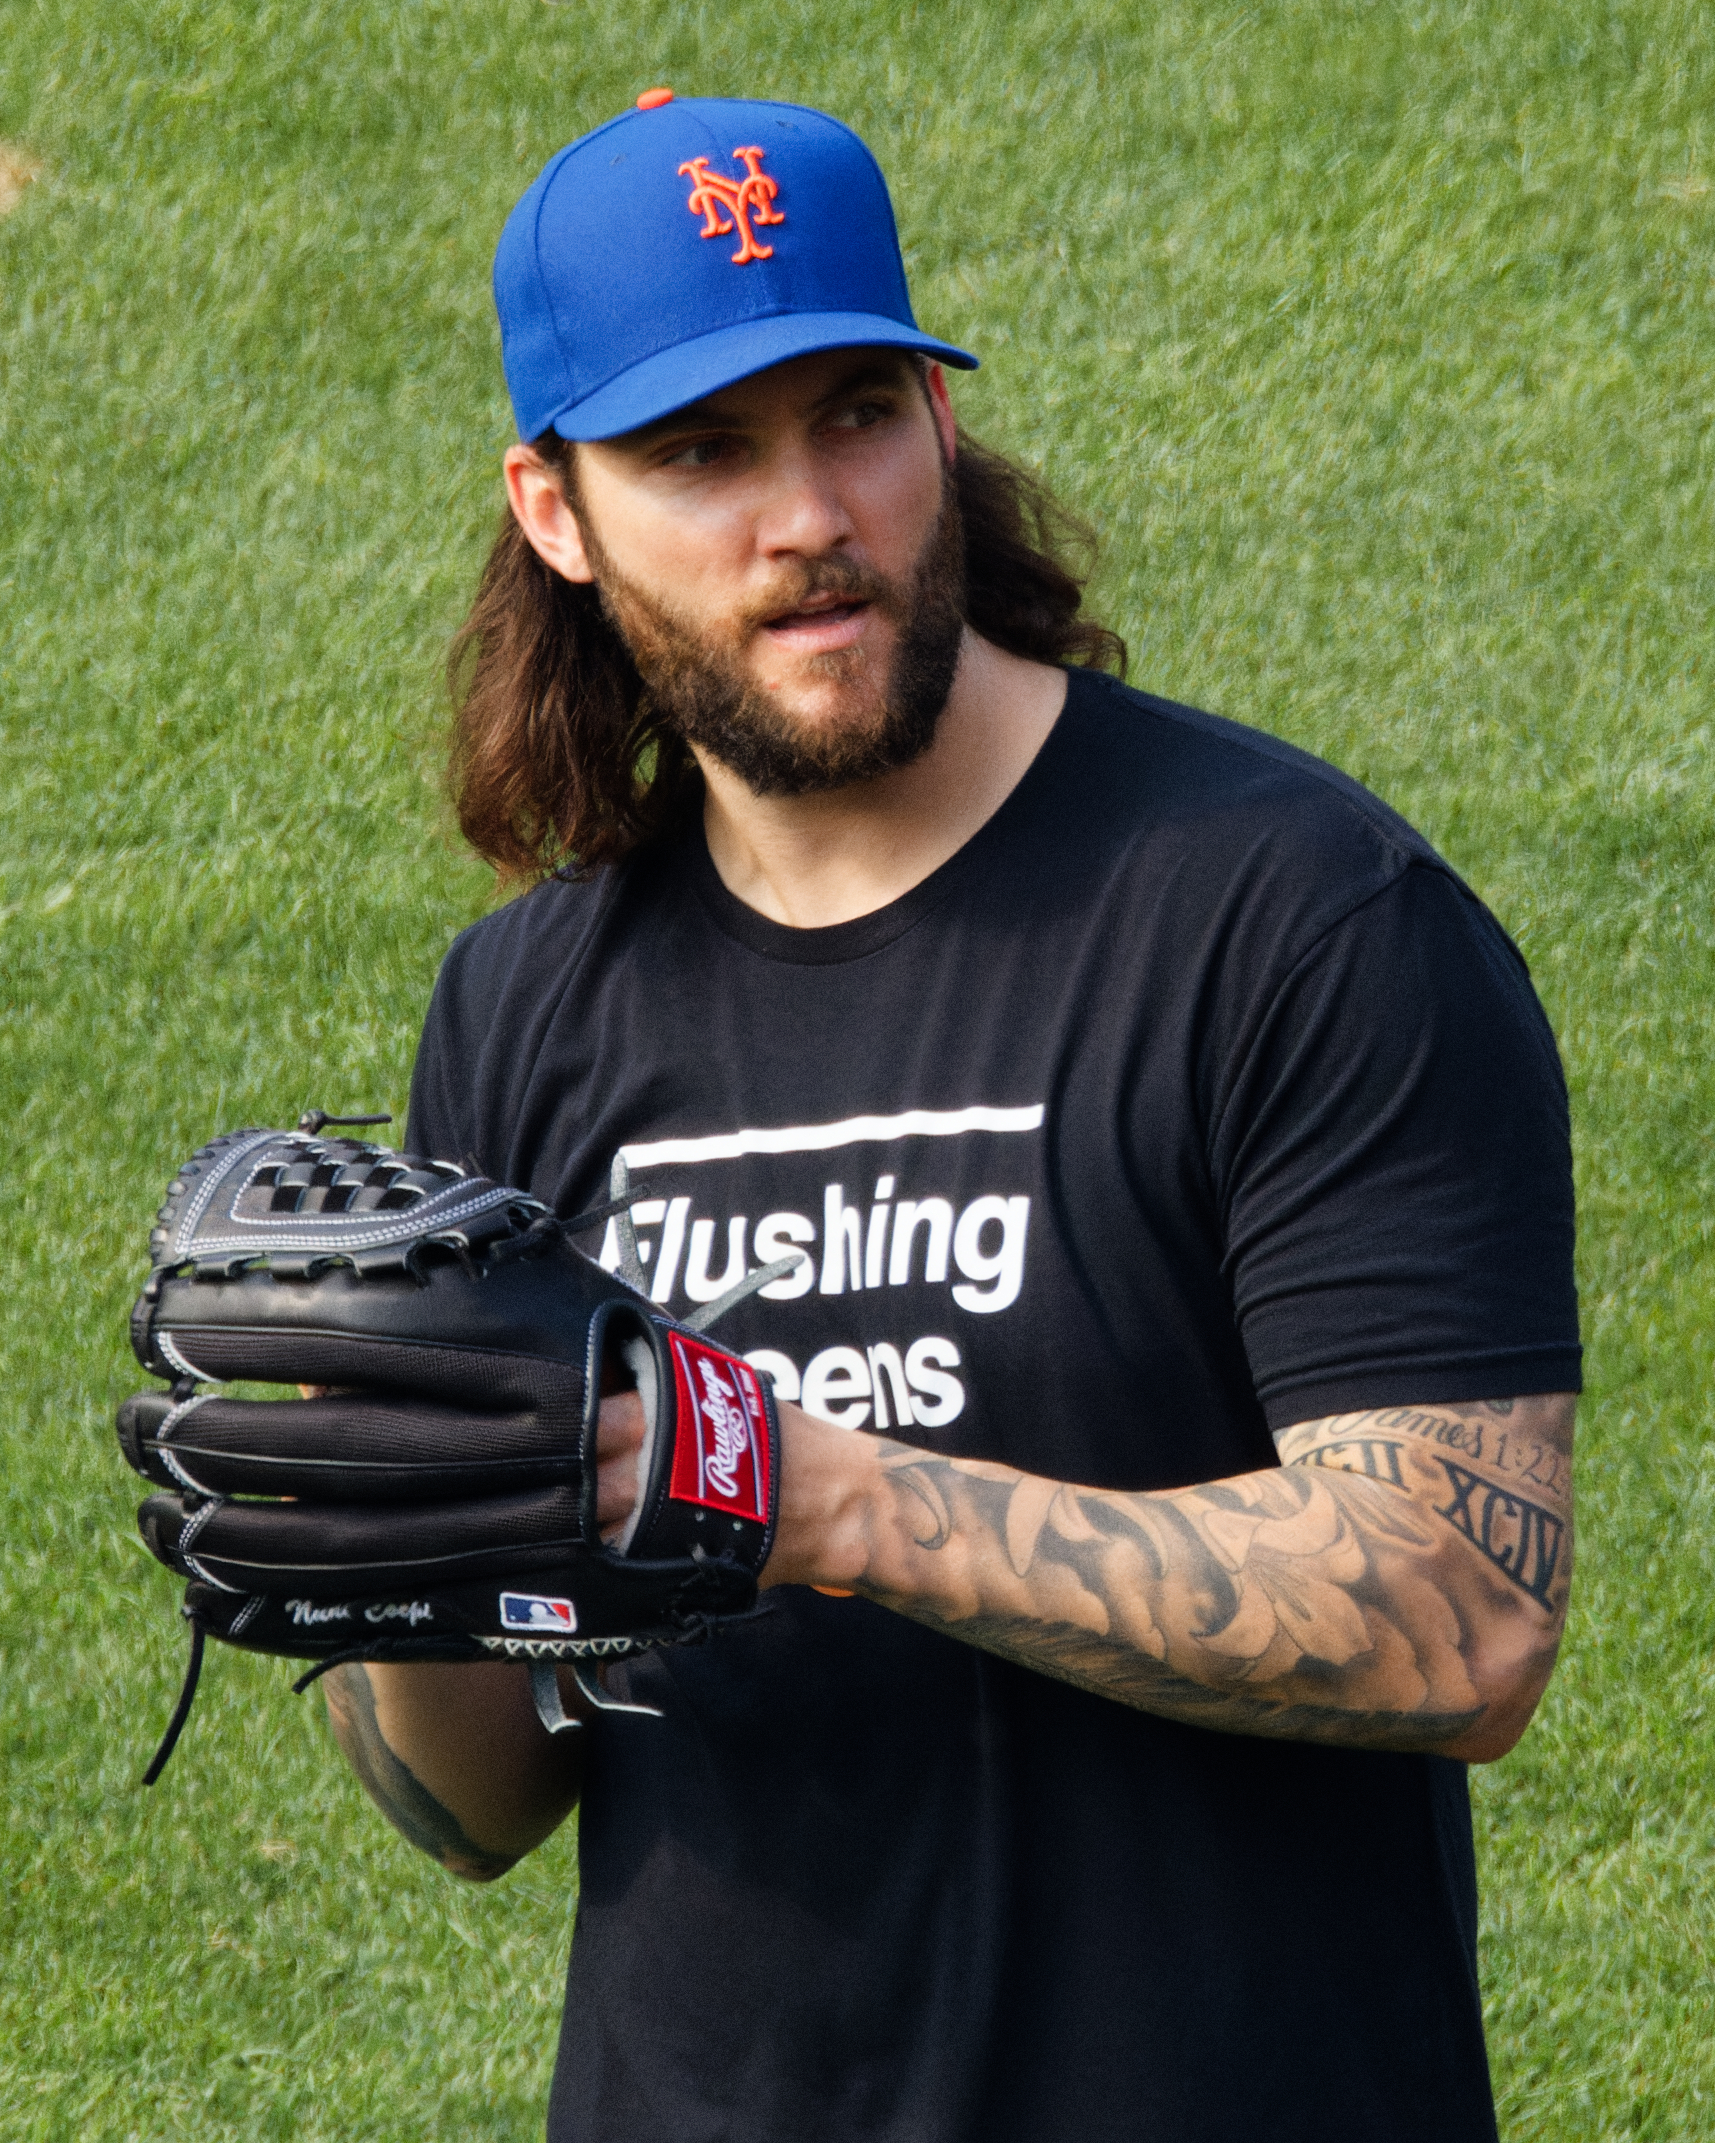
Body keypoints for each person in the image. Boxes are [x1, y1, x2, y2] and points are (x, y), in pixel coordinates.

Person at [320, 92, 1580, 2141]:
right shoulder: (528, 1007)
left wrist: (828, 1500)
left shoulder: (1291, 918)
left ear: (937, 418)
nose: (807, 511)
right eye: (700, 452)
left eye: (855, 413)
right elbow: (487, 1809)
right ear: (553, 510)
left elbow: (1462, 1613)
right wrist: (387, 1576)